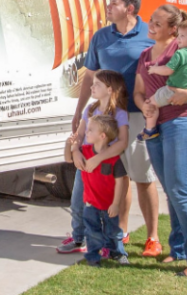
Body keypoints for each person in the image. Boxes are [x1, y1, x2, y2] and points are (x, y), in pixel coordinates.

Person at [73, 0, 162, 257]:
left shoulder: (149, 34)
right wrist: (79, 112)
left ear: (130, 8)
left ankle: (153, 237)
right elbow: (90, 77)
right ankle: (119, 233)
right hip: (107, 118)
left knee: (143, 177)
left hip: (137, 115)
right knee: (117, 175)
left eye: (114, 3)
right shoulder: (101, 36)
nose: (108, 7)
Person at [134, 4, 187, 278]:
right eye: (151, 20)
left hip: (185, 122)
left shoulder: (182, 50)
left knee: (180, 190)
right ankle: (179, 249)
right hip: (155, 125)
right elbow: (139, 90)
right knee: (171, 189)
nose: (151, 25)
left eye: (158, 22)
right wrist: (143, 105)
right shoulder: (146, 54)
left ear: (173, 29)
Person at [57, 69, 129, 255]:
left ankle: (109, 243)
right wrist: (76, 152)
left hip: (106, 166)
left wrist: (98, 158)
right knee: (78, 202)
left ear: (110, 89)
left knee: (105, 205)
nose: (92, 87)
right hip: (86, 165)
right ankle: (78, 238)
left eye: (97, 84)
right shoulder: (90, 109)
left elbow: (122, 142)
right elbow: (79, 135)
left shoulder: (120, 114)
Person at [65, 114, 129, 267]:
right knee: (92, 232)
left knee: (113, 231)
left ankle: (118, 253)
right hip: (90, 204)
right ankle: (93, 257)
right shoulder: (84, 152)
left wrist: (115, 204)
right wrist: (70, 146)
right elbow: (68, 159)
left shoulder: (114, 158)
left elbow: (120, 183)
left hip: (109, 204)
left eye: (90, 130)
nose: (86, 132)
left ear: (102, 136)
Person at [139, 18, 187, 141]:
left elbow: (168, 70)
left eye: (182, 36)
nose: (178, 39)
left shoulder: (181, 54)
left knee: (151, 104)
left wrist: (154, 69)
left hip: (172, 91)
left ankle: (149, 129)